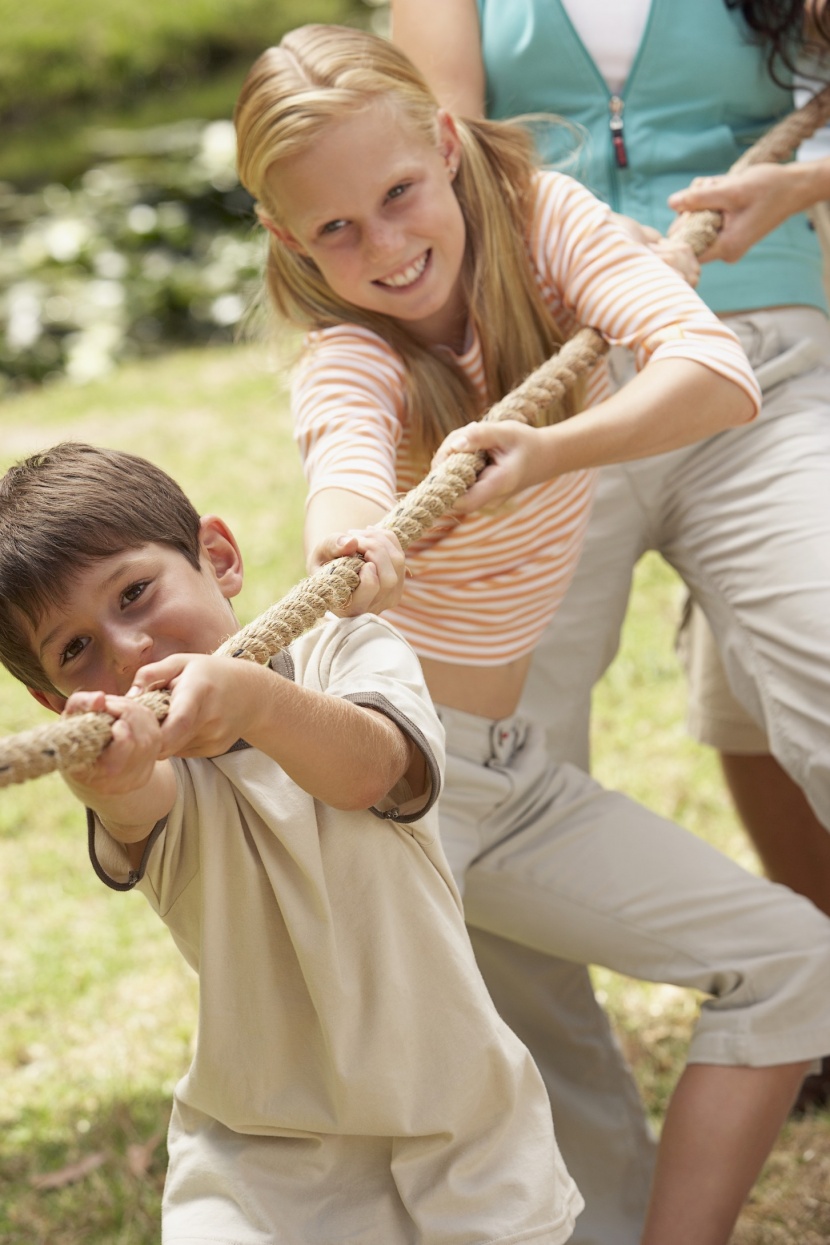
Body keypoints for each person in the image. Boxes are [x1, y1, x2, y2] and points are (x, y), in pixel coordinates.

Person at [233, 24, 830, 1245]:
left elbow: (714, 371)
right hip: (392, 792)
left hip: (499, 778)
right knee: (389, 1143)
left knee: (789, 961)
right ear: (288, 240)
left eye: (398, 194)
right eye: (335, 229)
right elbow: (340, 466)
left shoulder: (541, 217)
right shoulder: (350, 354)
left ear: (446, 146)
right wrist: (352, 543)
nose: (385, 246)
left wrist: (550, 449)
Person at [0, 441, 583, 1245]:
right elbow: (134, 805)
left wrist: (253, 701)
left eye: (134, 593)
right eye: (76, 650)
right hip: (257, 1170)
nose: (126, 649)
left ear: (218, 554)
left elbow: (375, 768)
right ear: (52, 695)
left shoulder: (346, 650)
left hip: (464, 1141)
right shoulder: (140, 765)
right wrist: (106, 777)